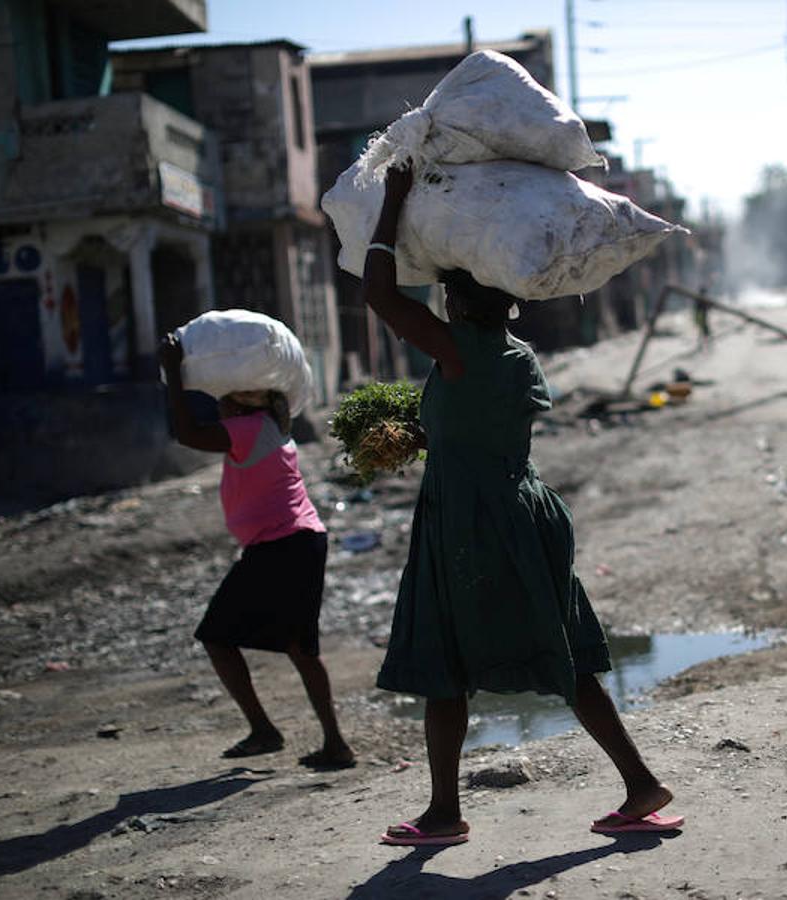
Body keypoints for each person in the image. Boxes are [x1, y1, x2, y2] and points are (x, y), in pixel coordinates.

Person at [362, 164, 681, 847]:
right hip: (522, 513)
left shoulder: (456, 349)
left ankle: (445, 813)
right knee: (562, 652)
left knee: (443, 660)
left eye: (447, 293)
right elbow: (481, 429)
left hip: (469, 524)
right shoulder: (516, 355)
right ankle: (639, 784)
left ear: (459, 302)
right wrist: (416, 435)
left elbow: (380, 293)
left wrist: (391, 200)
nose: (440, 304)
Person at [159, 337, 354, 769]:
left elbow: (187, 433)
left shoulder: (248, 430)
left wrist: (174, 373)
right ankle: (330, 742)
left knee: (219, 636)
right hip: (293, 543)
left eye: (222, 401)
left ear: (238, 404)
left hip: (282, 545)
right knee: (298, 646)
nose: (218, 409)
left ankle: (272, 732)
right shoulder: (270, 427)